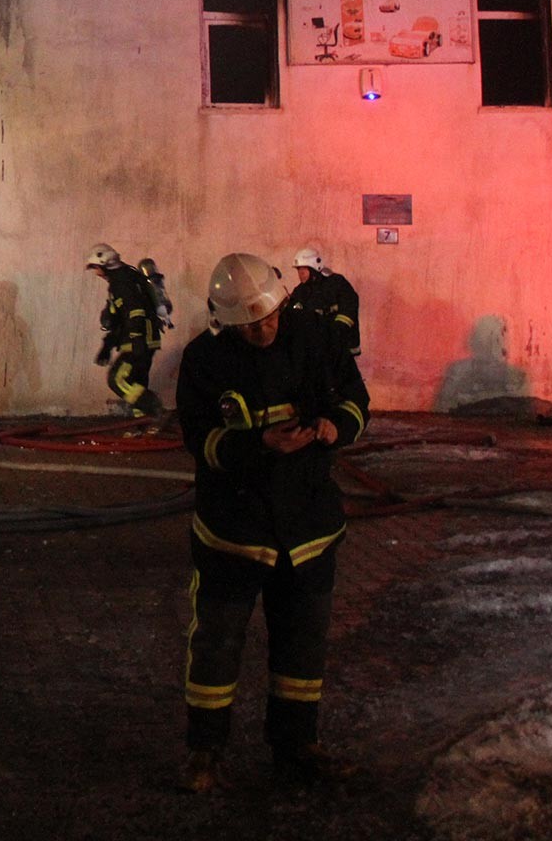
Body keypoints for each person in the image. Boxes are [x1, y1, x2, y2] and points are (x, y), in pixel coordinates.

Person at [175, 253, 369, 795]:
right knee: (216, 643)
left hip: (308, 526)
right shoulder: (204, 360)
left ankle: (296, 746)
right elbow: (200, 437)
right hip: (234, 529)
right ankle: (205, 752)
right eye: (249, 325)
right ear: (223, 321)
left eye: (270, 317)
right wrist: (256, 444)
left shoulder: (316, 338)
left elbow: (356, 398)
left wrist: (335, 427)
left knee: (303, 645)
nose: (264, 330)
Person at [84, 243, 163, 419]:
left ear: (106, 264)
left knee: (117, 379)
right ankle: (142, 424)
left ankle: (152, 406)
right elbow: (119, 319)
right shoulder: (127, 277)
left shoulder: (121, 282)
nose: (97, 273)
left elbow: (135, 311)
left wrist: (136, 340)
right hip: (146, 338)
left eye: (97, 267)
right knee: (137, 381)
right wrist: (107, 346)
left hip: (138, 339)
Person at [285, 245, 361, 358]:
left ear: (314, 269)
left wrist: (336, 330)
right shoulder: (300, 291)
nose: (300, 273)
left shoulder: (336, 283)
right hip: (316, 348)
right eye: (298, 270)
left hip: (340, 345)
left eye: (303, 269)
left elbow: (349, 305)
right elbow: (294, 313)